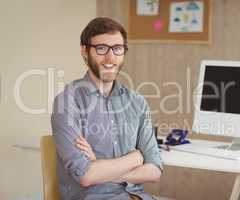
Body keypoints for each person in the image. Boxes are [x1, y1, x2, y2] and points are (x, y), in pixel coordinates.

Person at [51, 17, 163, 200]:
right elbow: (86, 176)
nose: (110, 58)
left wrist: (100, 166)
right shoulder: (68, 102)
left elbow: (154, 171)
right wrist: (135, 158)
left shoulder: (137, 102)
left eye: (117, 49)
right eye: (101, 49)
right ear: (84, 50)